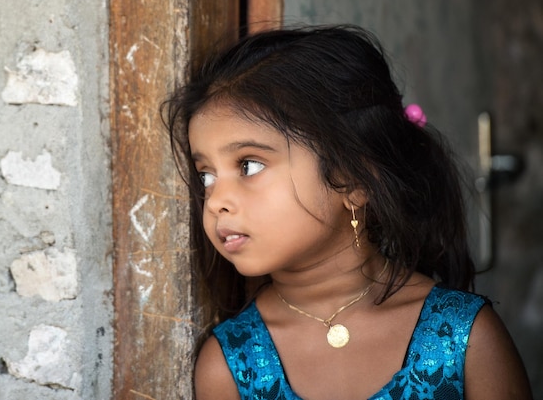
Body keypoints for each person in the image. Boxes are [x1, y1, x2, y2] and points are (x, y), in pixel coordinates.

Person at [162, 25, 533, 400]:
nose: (215, 201)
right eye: (205, 175)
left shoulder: (463, 338)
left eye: (249, 166)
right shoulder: (229, 364)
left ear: (353, 180)